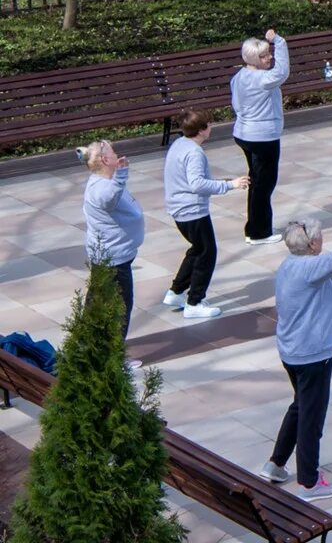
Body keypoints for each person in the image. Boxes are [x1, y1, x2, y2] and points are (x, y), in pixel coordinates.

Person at [262, 193, 332, 502]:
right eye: (320, 237)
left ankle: (276, 463)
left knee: (300, 406)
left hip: (292, 352)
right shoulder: (311, 269)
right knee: (312, 416)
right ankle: (309, 481)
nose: (323, 241)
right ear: (312, 245)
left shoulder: (289, 265)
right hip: (311, 356)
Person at [160, 110, 250, 321]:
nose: (211, 127)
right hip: (192, 211)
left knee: (198, 249)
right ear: (201, 130)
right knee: (207, 254)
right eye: (209, 124)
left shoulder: (180, 144)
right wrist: (230, 185)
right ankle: (194, 302)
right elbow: (197, 184)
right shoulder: (194, 152)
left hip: (180, 209)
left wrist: (223, 181)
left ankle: (176, 292)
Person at [79, 140, 143, 346]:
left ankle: (85, 347)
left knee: (97, 303)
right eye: (113, 151)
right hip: (113, 260)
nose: (117, 154)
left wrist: (118, 175)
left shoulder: (104, 181)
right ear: (106, 159)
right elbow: (109, 199)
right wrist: (121, 176)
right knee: (121, 306)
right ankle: (114, 356)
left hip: (111, 257)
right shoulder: (102, 188)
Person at [231, 29, 290, 244]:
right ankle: (259, 232)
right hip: (262, 137)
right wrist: (279, 42)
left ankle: (254, 227)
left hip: (245, 133)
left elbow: (236, 105)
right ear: (255, 60)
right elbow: (282, 72)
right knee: (264, 184)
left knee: (257, 182)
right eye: (265, 56)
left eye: (270, 53)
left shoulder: (239, 77)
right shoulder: (262, 79)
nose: (270, 57)